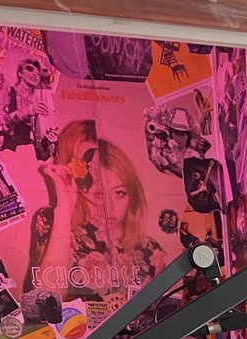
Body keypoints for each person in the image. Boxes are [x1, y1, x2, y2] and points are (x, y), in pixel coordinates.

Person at [26, 119, 167, 298]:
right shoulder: (54, 221)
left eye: (120, 193)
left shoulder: (150, 250)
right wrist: (64, 208)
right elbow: (45, 302)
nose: (109, 207)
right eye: (99, 193)